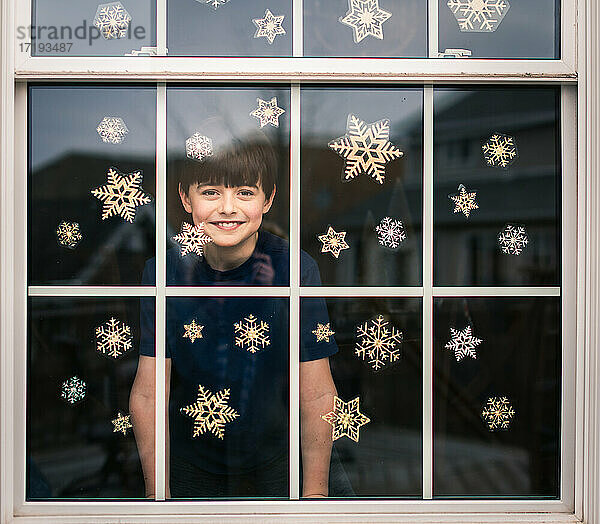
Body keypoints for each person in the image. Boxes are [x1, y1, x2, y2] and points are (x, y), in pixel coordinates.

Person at [129, 133, 339, 498]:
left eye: (245, 192)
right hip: (189, 458)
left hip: (277, 455)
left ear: (269, 198)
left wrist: (315, 497)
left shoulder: (294, 269)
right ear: (185, 197)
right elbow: (150, 394)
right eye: (210, 192)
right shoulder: (165, 272)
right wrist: (155, 497)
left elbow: (317, 393)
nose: (227, 208)